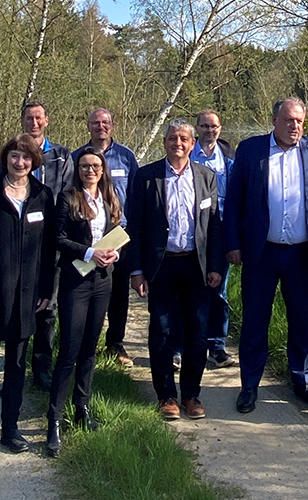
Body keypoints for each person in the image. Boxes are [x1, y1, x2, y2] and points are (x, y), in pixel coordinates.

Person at [224, 97, 308, 413]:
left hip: (303, 253)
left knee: (302, 319)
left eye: (300, 121)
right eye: (289, 120)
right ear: (275, 120)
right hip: (261, 253)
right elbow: (234, 200)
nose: (295, 127)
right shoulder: (251, 150)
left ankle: (302, 380)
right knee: (254, 321)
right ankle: (249, 386)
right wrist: (232, 243)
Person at [0, 134, 56, 463]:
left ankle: (10, 429)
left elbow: (49, 251)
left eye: (26, 158)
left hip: (27, 298)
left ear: (34, 162)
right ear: (6, 158)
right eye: (15, 156)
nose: (20, 163)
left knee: (18, 367)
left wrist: (47, 290)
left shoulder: (43, 197)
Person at [126, 118, 223, 420]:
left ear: (193, 144)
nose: (178, 144)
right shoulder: (146, 176)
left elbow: (214, 225)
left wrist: (216, 265)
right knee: (163, 331)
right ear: (164, 142)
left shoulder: (207, 176)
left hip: (196, 264)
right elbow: (136, 227)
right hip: (162, 265)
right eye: (172, 139)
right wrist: (136, 270)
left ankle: (191, 395)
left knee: (197, 332)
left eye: (184, 139)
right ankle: (166, 394)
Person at [46, 147, 122, 457]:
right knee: (69, 350)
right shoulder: (68, 197)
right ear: (78, 169)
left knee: (91, 346)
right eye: (85, 166)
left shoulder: (109, 198)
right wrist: (89, 253)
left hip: (103, 281)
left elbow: (117, 230)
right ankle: (54, 419)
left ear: (102, 170)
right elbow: (57, 238)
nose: (90, 170)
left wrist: (114, 252)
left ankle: (82, 407)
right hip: (75, 280)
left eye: (95, 166)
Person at [71, 108, 139, 367]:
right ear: (88, 126)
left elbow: (134, 196)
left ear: (112, 125)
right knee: (83, 292)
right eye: (95, 123)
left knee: (118, 293)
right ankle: (84, 343)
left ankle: (115, 343)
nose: (101, 126)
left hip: (118, 236)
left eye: (105, 122)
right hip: (86, 236)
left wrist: (131, 235)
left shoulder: (126, 157)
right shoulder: (76, 156)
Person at [20, 100, 73, 390]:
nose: (34, 123)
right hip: (21, 242)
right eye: (29, 118)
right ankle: (15, 368)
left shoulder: (62, 156)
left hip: (51, 242)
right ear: (23, 121)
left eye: (39, 118)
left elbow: (66, 198)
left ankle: (41, 368)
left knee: (48, 307)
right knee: (18, 305)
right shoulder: (13, 153)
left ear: (47, 121)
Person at [189, 109, 236, 368]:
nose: (210, 130)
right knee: (188, 290)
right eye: (205, 126)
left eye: (214, 126)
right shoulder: (186, 152)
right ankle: (181, 345)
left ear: (220, 128)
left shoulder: (229, 158)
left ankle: (217, 346)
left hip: (221, 233)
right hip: (193, 233)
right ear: (197, 128)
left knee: (219, 291)